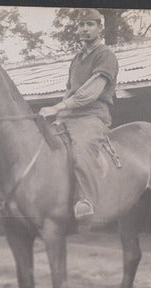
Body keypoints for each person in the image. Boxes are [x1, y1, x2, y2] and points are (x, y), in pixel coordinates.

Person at [39, 8, 119, 226]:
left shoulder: (106, 56)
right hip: (70, 115)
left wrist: (58, 107)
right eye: (81, 25)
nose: (84, 28)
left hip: (93, 115)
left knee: (80, 148)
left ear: (100, 28)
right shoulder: (77, 58)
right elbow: (70, 90)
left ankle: (85, 200)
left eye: (90, 24)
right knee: (47, 143)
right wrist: (60, 114)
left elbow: (90, 92)